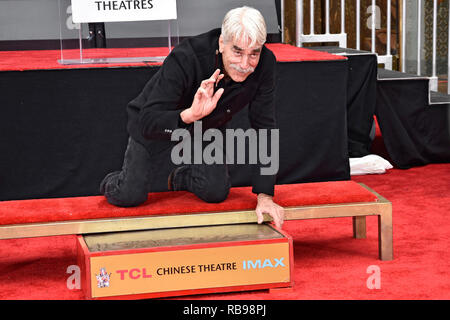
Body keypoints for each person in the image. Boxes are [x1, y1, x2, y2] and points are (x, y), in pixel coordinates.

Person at [100, 6, 285, 229]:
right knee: (130, 195)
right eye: (237, 52)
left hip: (206, 126)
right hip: (157, 123)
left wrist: (265, 196)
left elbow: (264, 126)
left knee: (215, 191)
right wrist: (190, 114)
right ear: (221, 44)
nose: (245, 65)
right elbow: (148, 120)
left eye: (253, 53)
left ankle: (181, 177)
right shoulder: (186, 57)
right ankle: (112, 181)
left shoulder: (266, 63)